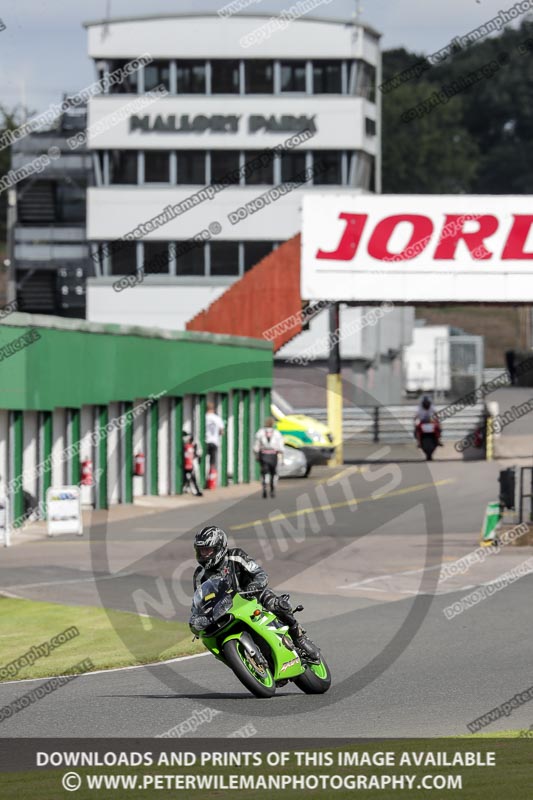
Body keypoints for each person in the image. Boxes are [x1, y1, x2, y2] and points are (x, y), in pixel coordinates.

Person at [192, 525, 320, 661]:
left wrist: (254, 585)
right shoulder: (199, 575)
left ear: (219, 547)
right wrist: (198, 617)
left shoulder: (236, 556)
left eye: (208, 550)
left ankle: (298, 637)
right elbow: (200, 599)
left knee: (276, 605)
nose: (204, 555)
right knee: (213, 636)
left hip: (252, 595)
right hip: (226, 609)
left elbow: (259, 573)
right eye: (201, 551)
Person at [253, 416, 284, 498]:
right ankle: (272, 488)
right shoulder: (277, 433)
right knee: (274, 473)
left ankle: (264, 486)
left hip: (264, 454)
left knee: (264, 472)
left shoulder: (260, 432)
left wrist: (256, 455)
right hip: (273, 455)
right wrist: (281, 457)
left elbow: (256, 447)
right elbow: (281, 447)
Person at [205, 402, 224, 475]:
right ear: (213, 409)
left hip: (205, 441)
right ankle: (211, 477)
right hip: (214, 441)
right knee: (212, 461)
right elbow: (222, 431)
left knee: (203, 460)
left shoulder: (204, 417)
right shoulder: (217, 418)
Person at [182, 429, 203, 497]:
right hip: (188, 461)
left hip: (193, 461)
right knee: (188, 476)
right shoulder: (186, 443)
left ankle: (196, 491)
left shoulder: (195, 443)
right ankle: (187, 488)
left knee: (194, 476)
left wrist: (195, 459)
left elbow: (199, 453)